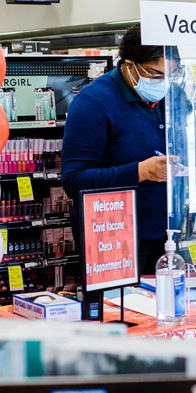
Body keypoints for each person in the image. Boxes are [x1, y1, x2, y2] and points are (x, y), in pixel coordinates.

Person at [62, 24, 173, 277]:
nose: (163, 83)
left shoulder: (174, 99)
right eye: (155, 75)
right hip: (113, 236)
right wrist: (139, 172)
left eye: (171, 76)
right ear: (130, 65)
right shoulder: (93, 102)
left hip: (170, 234)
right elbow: (74, 180)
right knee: (121, 314)